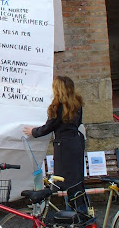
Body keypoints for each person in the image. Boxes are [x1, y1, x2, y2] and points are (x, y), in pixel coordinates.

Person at [23, 76, 88, 214]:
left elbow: (49, 127)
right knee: (76, 180)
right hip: (76, 142)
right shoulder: (77, 103)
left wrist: (33, 131)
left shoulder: (57, 107)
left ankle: (73, 213)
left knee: (63, 180)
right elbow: (78, 123)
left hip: (64, 146)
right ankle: (81, 211)